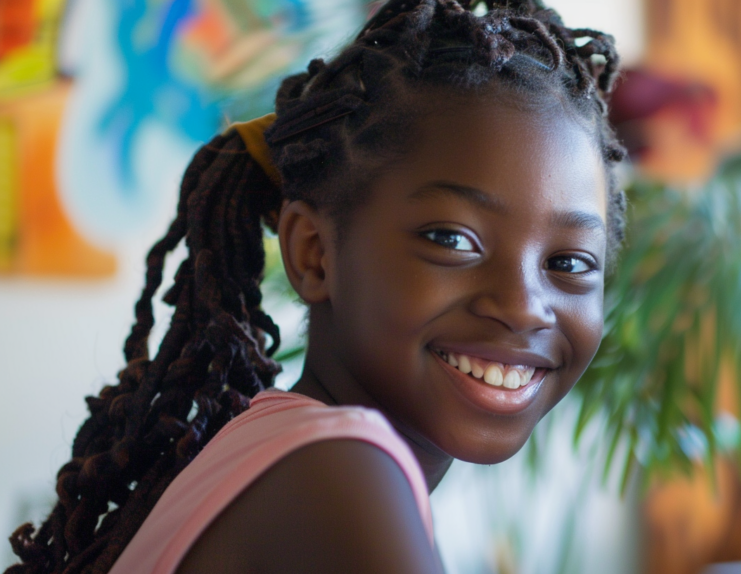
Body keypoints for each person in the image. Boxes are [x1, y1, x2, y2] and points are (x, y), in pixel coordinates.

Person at [7, 0, 626, 572]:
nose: (522, 306)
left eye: (570, 264)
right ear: (313, 253)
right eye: (452, 239)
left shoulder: (280, 452)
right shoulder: (336, 471)